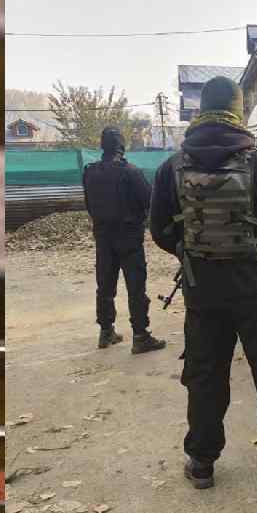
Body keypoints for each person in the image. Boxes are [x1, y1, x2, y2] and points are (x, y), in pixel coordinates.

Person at [150, 76, 257, 489]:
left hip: (202, 292)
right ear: (237, 111)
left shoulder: (172, 168)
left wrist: (192, 254)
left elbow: (159, 231)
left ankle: (202, 461)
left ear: (199, 112)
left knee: (205, 375)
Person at [82, 127, 166, 354]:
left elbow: (89, 205)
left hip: (103, 237)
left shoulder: (90, 172)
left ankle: (106, 331)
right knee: (136, 288)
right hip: (129, 238)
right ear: (121, 146)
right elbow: (149, 201)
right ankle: (140, 336)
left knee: (105, 286)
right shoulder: (131, 172)